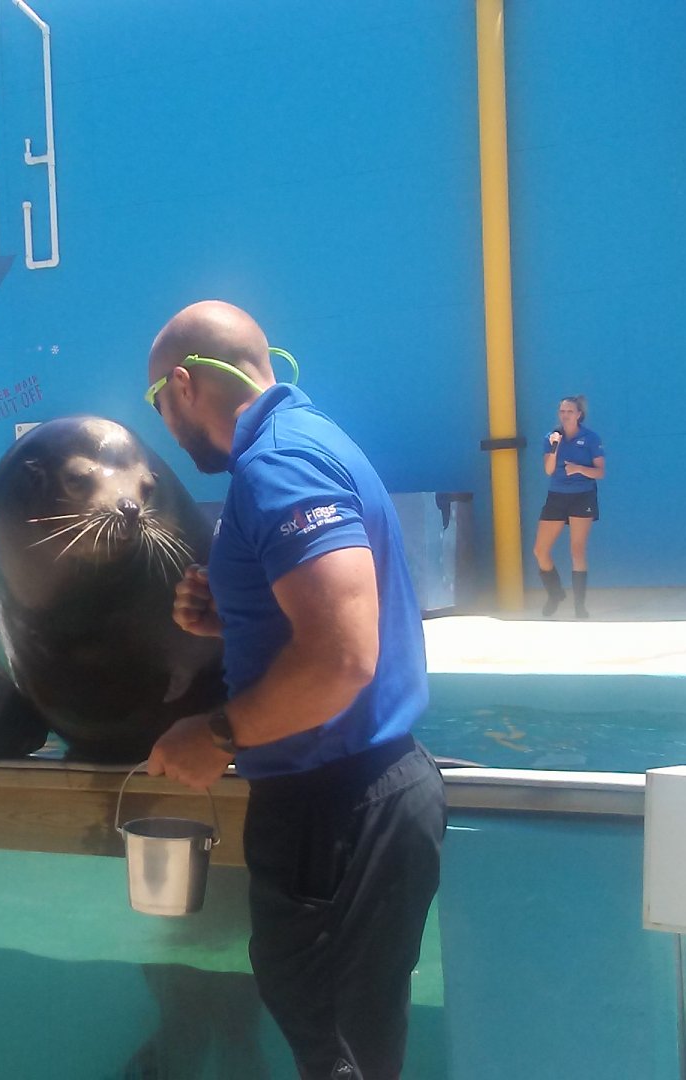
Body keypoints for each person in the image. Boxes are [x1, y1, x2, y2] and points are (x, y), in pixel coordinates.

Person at [139, 300, 446, 1080]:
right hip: (356, 800)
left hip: (335, 812)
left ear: (183, 385)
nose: (165, 429)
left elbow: (343, 658)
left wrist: (214, 736)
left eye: (156, 405)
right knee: (352, 1048)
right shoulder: (313, 440)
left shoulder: (279, 463)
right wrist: (237, 622)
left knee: (340, 1055)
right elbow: (324, 624)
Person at [533, 395, 604, 619]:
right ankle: (555, 594)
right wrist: (555, 447)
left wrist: (579, 469)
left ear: (579, 414)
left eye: (570, 411)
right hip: (557, 495)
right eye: (562, 411)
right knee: (540, 550)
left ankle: (579, 606)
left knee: (577, 549)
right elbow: (548, 470)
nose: (565, 415)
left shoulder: (591, 438)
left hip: (582, 496)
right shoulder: (551, 438)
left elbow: (600, 472)